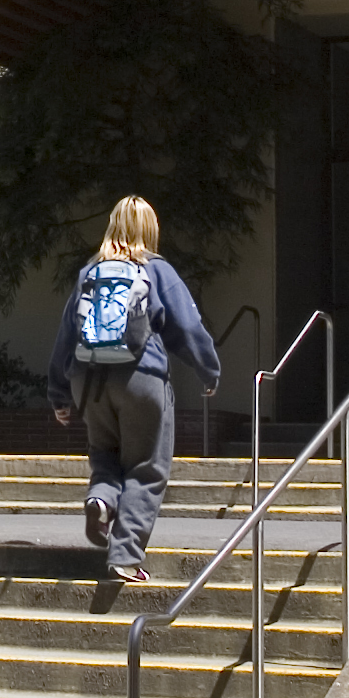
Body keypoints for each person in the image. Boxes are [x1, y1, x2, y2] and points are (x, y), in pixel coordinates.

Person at [48, 195, 224, 591]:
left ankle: (101, 500)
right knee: (146, 468)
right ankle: (125, 556)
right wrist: (208, 370)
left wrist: (59, 394)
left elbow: (65, 336)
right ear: (150, 230)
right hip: (140, 378)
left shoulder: (89, 272)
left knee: (106, 456)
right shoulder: (156, 269)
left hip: (88, 382)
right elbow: (188, 326)